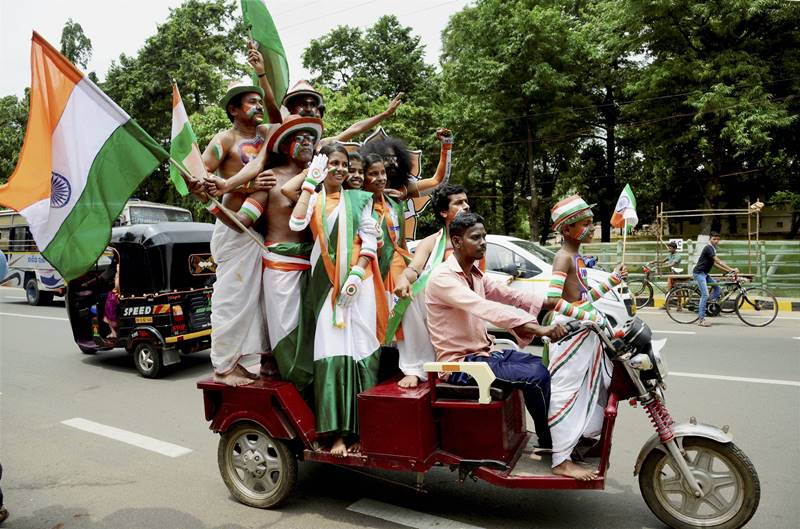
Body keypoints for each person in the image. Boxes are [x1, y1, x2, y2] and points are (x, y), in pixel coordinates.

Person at [425, 212, 567, 451]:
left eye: (484, 236)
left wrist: (553, 302)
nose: (483, 242)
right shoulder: (443, 278)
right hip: (460, 364)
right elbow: (485, 308)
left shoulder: (476, 274)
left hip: (485, 354)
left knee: (544, 364)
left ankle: (555, 433)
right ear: (458, 242)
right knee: (535, 377)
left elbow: (510, 294)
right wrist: (538, 328)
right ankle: (551, 442)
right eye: (475, 237)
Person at [206, 115, 324, 385]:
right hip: (282, 268)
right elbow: (243, 222)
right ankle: (294, 379)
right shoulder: (269, 180)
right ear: (284, 146)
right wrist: (212, 203)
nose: (308, 143)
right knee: (286, 333)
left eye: (311, 139)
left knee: (316, 333)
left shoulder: (321, 179)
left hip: (317, 268)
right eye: (300, 139)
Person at [283, 144, 383, 457]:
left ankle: (360, 431)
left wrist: (356, 273)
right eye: (333, 164)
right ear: (324, 166)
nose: (339, 169)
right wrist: (310, 182)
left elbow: (370, 239)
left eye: (343, 164)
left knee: (360, 350)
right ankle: (334, 433)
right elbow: (296, 224)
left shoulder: (359, 199)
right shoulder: (313, 197)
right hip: (324, 285)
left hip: (357, 286)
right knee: (331, 353)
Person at [544, 195, 627, 480]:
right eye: (584, 224)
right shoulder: (563, 256)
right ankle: (560, 460)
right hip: (570, 335)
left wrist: (610, 282)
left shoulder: (576, 256)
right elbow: (553, 301)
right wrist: (588, 317)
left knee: (586, 392)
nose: (590, 229)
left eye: (591, 223)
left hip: (583, 331)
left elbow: (581, 299)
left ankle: (575, 442)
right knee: (566, 394)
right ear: (566, 230)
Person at [200, 77, 277, 386]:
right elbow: (200, 177)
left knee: (257, 302)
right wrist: (248, 185)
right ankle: (223, 366)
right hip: (235, 229)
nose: (257, 106)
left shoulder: (267, 140)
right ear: (233, 109)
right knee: (232, 299)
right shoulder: (225, 139)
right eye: (250, 102)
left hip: (263, 232)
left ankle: (244, 363)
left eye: (259, 101)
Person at [211, 84, 403, 195]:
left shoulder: (322, 146)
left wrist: (384, 114)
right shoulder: (273, 140)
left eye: (313, 105)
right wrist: (235, 186)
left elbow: (353, 129)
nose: (309, 109)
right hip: (267, 214)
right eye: (302, 104)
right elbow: (257, 165)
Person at [390, 184, 469, 388]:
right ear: (444, 212)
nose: (466, 206)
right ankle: (415, 368)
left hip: (465, 303)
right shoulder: (432, 242)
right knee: (412, 296)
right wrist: (404, 278)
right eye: (459, 203)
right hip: (438, 303)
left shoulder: (475, 240)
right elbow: (415, 268)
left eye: (466, 201)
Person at [693, 231, 738, 327]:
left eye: (718, 239)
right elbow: (717, 260)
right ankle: (701, 320)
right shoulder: (708, 248)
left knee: (717, 289)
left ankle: (705, 304)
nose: (716, 241)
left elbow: (714, 264)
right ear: (710, 239)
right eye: (714, 239)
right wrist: (731, 269)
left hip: (705, 273)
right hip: (699, 273)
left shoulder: (713, 248)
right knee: (705, 295)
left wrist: (727, 270)